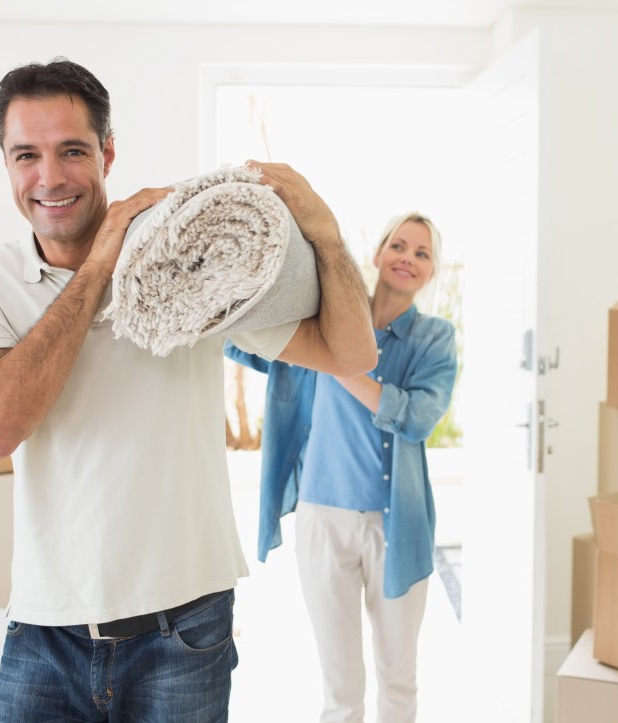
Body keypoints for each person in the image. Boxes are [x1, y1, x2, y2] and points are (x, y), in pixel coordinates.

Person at [0, 57, 375, 722]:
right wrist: (98, 271)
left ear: (108, 152)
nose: (50, 177)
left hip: (184, 630)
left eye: (72, 151)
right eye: (25, 154)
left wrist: (323, 231)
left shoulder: (183, 262)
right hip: (44, 630)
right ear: (4, 161)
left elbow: (352, 351)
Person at [225, 211, 458, 723]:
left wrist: (335, 357)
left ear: (432, 272)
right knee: (341, 687)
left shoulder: (433, 340)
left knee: (398, 678)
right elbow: (244, 342)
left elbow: (416, 417)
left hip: (396, 528)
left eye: (422, 254)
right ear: (377, 255)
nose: (407, 259)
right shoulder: (321, 323)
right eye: (399, 246)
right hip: (322, 519)